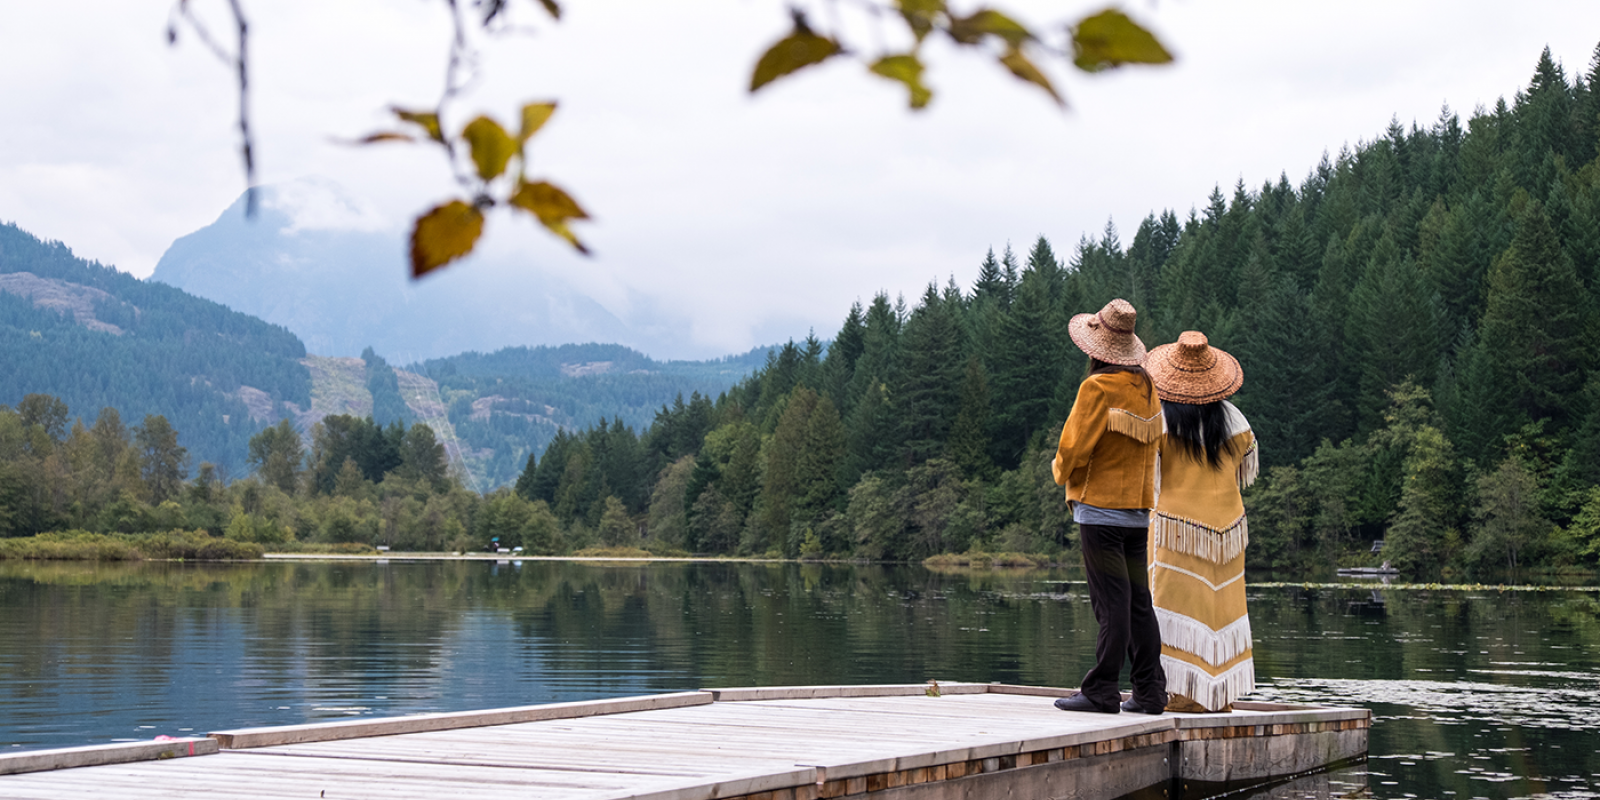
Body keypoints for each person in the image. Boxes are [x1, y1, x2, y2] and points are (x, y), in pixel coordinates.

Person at [1051, 298, 1167, 715]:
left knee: (1110, 603)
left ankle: (1101, 691)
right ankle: (1151, 692)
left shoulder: (1096, 387)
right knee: (1138, 602)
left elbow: (1073, 447)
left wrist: (1059, 470)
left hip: (1099, 510)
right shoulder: (1148, 388)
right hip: (1138, 513)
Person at [1143, 331, 1258, 713]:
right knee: (1221, 606)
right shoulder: (1233, 419)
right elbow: (1244, 463)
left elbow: (1150, 468)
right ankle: (1219, 695)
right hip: (1228, 526)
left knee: (1171, 608)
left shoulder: (1161, 417)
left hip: (1176, 528)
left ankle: (1183, 692)